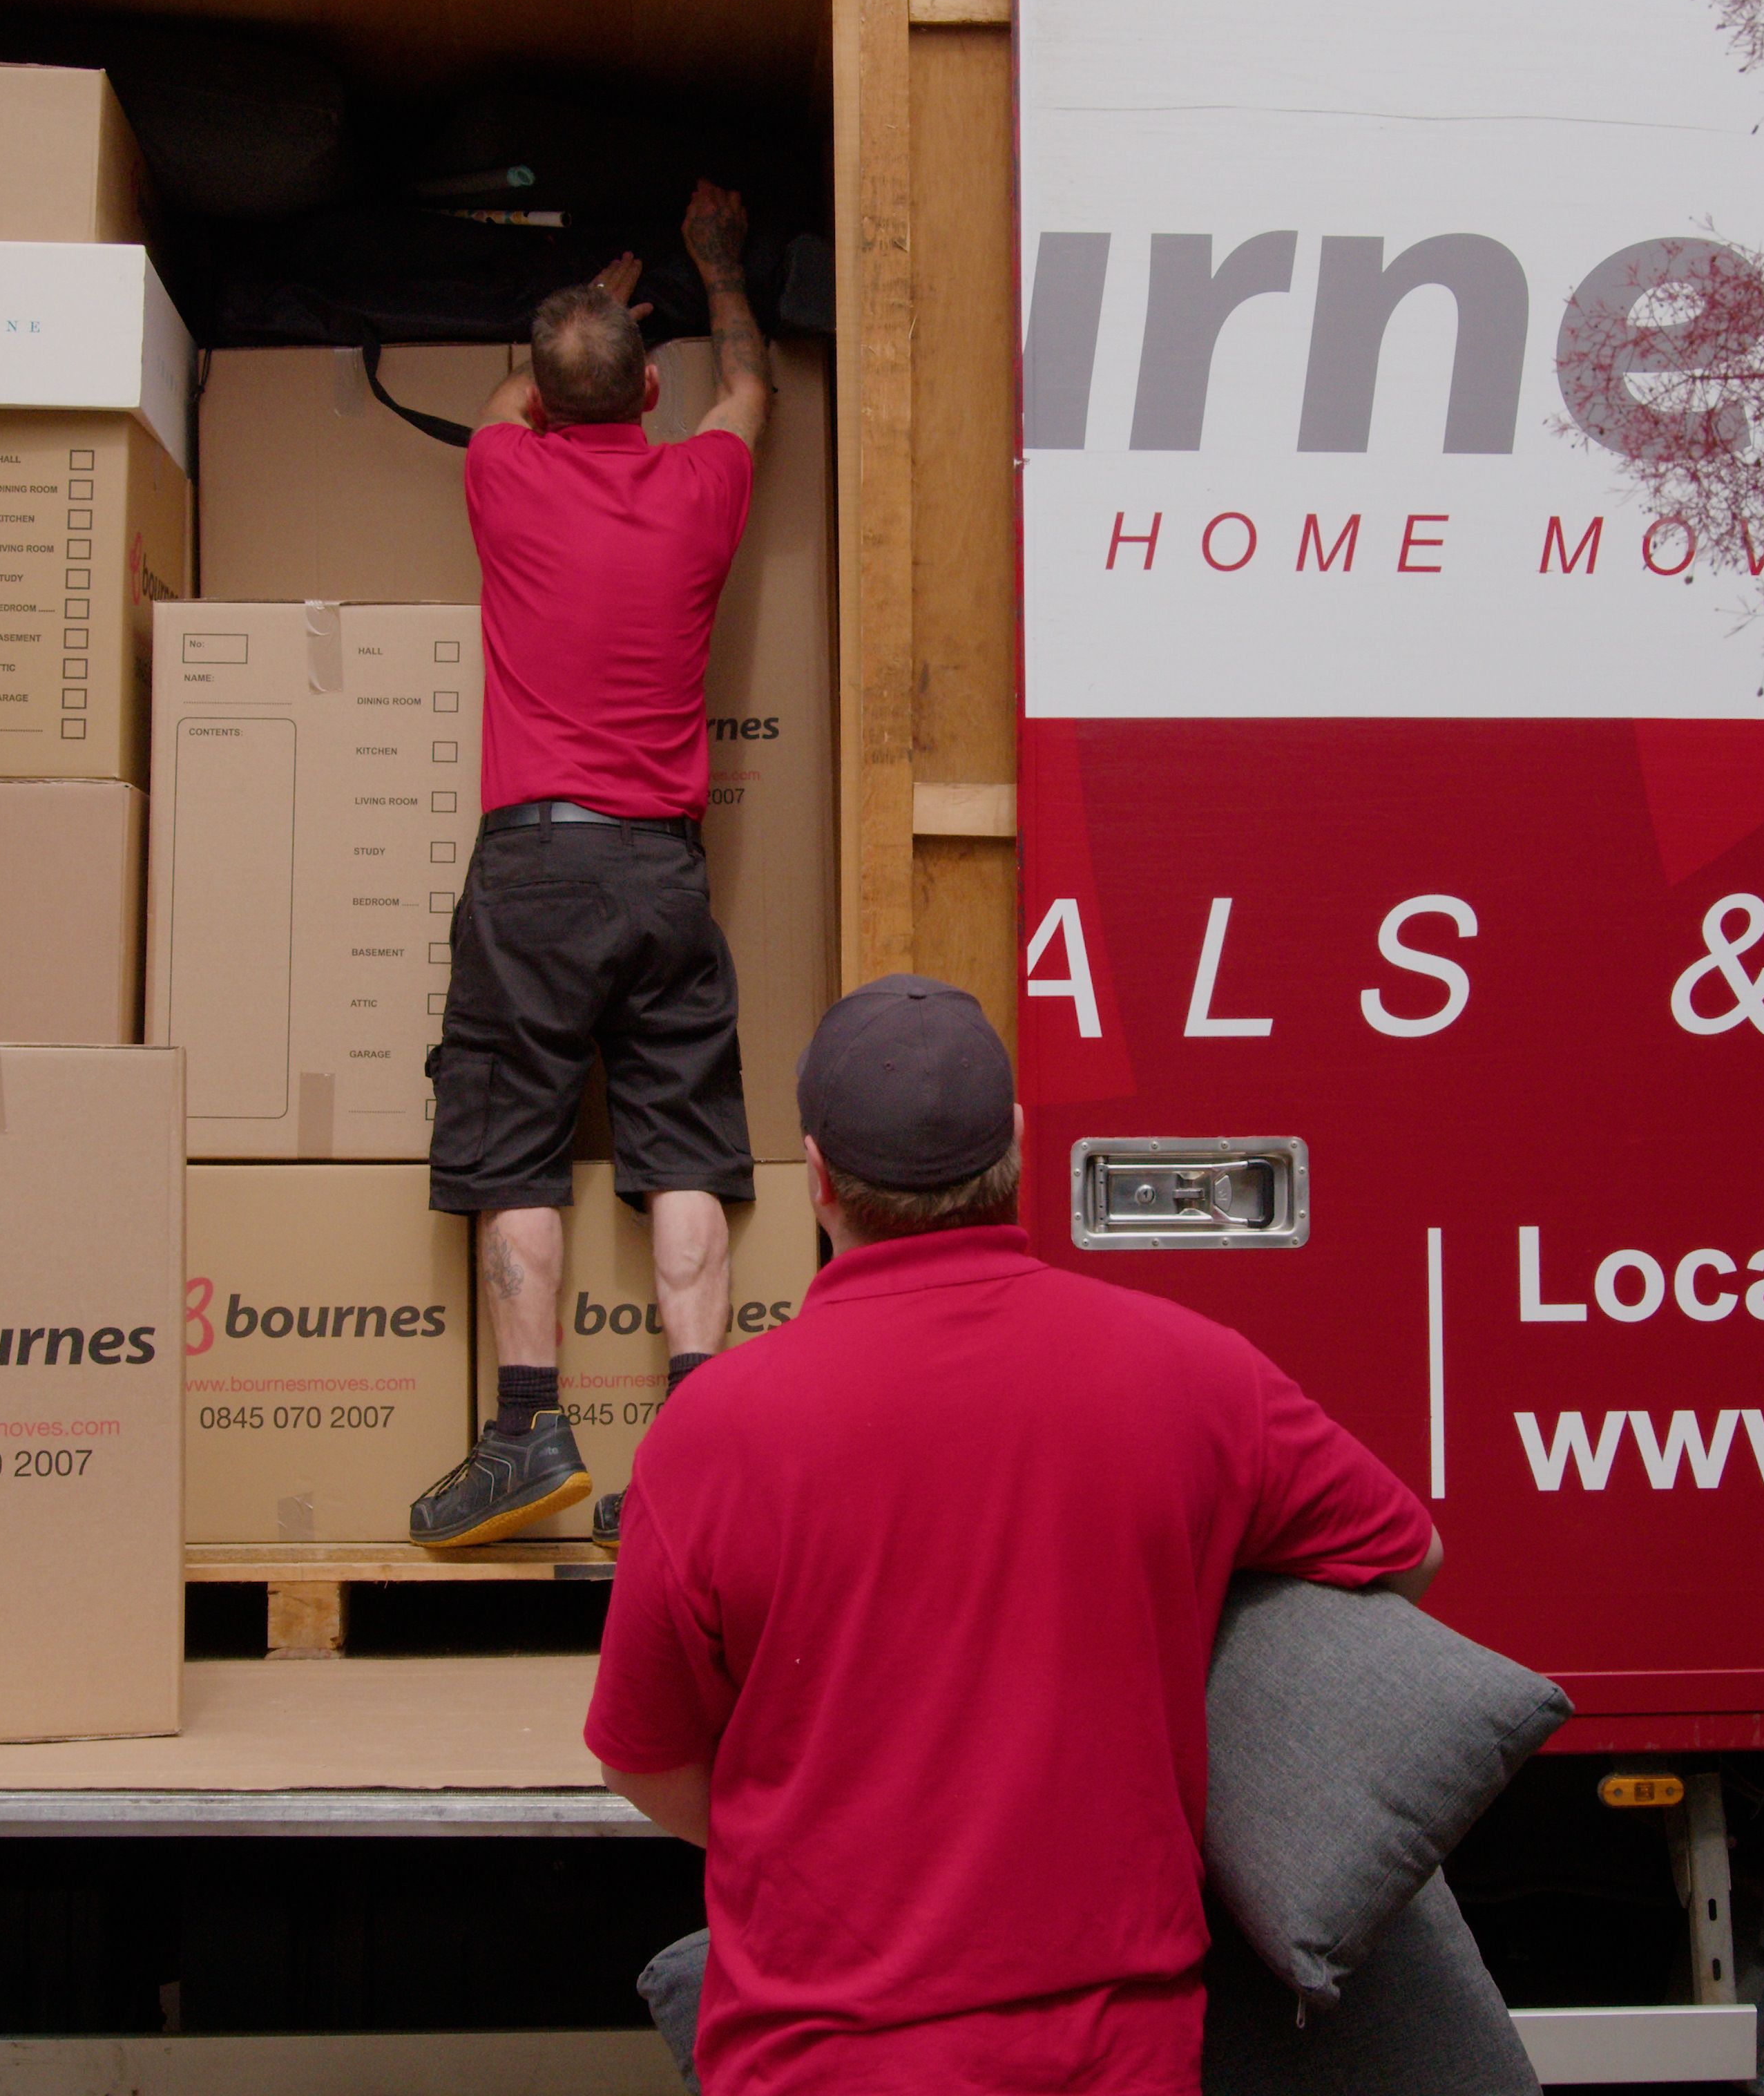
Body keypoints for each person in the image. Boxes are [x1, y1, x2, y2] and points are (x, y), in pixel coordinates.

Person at [585, 975, 1444, 2096]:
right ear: (1022, 1150)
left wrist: (822, 1847)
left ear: (819, 1179)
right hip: (1117, 2059)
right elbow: (1404, 1553)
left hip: (821, 2062)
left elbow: (642, 1758)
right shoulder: (1193, 1373)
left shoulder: (714, 1430)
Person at [411, 179, 775, 1551]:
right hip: (663, 877)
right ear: (652, 388)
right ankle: (692, 1448)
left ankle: (524, 1439)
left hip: (533, 872)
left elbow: (518, 397)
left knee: (516, 1148)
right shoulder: (703, 483)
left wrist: (593, 318)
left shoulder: (503, 469)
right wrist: (715, 270)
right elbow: (751, 387)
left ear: (547, 400)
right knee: (685, 1145)